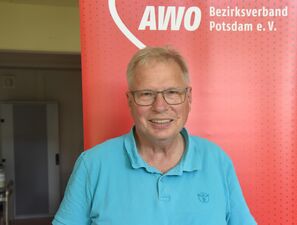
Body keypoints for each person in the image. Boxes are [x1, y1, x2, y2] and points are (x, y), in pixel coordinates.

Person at [53, 46, 257, 225]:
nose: (160, 106)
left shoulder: (217, 161)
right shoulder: (93, 164)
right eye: (146, 94)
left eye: (172, 93)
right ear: (130, 101)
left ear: (189, 98)